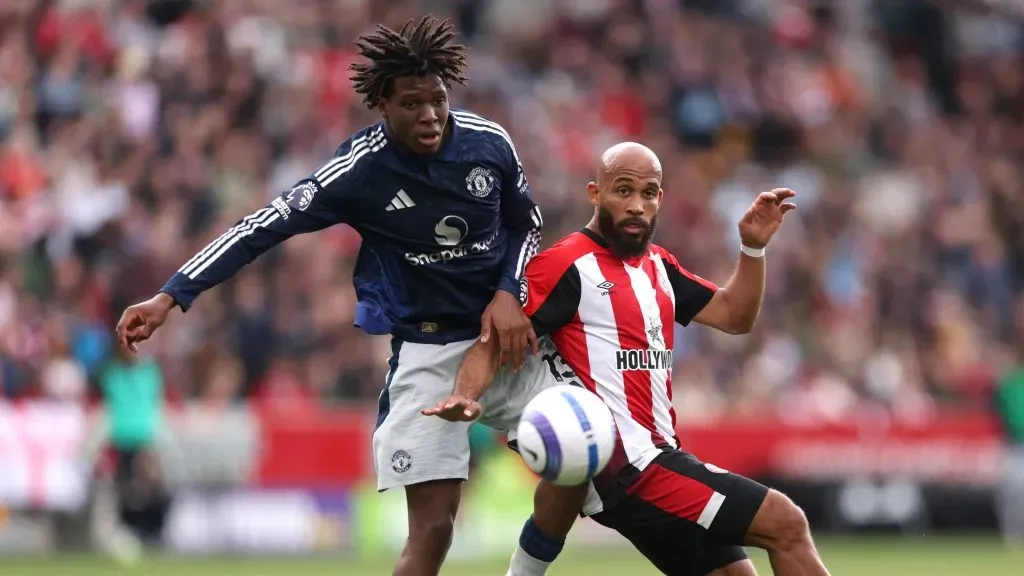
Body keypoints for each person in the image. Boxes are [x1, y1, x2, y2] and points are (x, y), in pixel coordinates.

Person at [115, 15, 562, 575]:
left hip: (507, 340)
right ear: (382, 104)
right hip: (427, 354)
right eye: (412, 104)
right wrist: (171, 295)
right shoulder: (358, 172)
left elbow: (529, 221)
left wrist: (507, 292)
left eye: (438, 100)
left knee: (589, 469)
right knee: (433, 531)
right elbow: (263, 225)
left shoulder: (488, 143)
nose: (430, 115)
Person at [425, 142, 831, 576]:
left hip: (663, 461)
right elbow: (493, 340)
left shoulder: (659, 265)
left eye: (649, 193)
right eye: (623, 191)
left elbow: (735, 316)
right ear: (595, 194)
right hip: (631, 470)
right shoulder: (566, 264)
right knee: (786, 522)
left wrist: (752, 250)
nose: (637, 205)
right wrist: (465, 394)